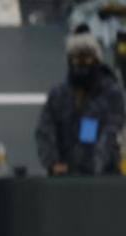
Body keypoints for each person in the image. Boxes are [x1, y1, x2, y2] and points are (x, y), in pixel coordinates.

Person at [35, 26, 125, 176]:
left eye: (86, 57)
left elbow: (111, 133)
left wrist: (91, 167)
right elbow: (44, 130)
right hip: (63, 179)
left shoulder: (111, 94)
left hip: (104, 180)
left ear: (96, 60)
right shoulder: (58, 95)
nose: (81, 63)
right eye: (76, 58)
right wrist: (53, 162)